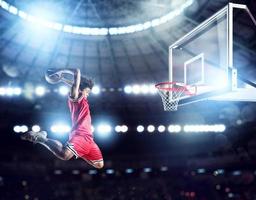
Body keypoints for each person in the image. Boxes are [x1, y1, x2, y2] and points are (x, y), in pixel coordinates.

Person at [21, 68, 104, 169]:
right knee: (64, 155)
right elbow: (77, 72)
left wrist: (62, 79)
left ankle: (79, 151)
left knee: (99, 165)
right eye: (87, 91)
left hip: (89, 139)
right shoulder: (76, 97)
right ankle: (42, 139)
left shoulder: (83, 97)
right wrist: (60, 70)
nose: (88, 94)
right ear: (81, 89)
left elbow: (78, 86)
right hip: (80, 135)